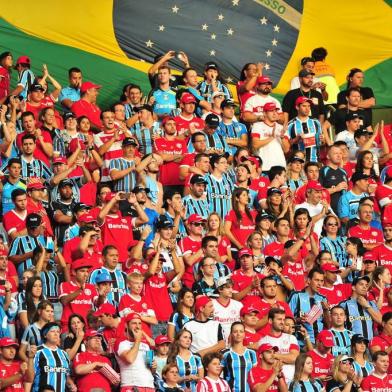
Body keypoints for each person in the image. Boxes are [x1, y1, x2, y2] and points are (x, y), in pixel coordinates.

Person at [288, 267, 330, 344]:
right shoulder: (296, 296)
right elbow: (286, 320)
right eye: (316, 280)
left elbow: (329, 325)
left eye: (321, 281)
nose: (319, 284)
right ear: (309, 280)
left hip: (319, 344)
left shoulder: (323, 299)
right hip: (300, 343)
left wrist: (326, 310)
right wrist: (298, 320)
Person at [115, 312, 155, 391]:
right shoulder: (120, 342)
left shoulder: (146, 344)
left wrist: (154, 367)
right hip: (131, 386)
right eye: (134, 323)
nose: (137, 326)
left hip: (149, 386)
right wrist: (138, 340)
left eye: (139, 323)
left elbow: (150, 368)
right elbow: (130, 359)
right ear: (126, 325)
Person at [259, 308, 300, 383]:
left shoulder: (291, 338)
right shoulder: (263, 341)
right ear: (270, 321)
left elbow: (294, 358)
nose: (282, 322)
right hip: (273, 384)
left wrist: (274, 355)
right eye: (279, 319)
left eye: (283, 320)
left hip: (292, 383)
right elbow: (267, 365)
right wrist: (287, 358)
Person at [33, 322, 76, 392]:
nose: (56, 334)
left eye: (58, 332)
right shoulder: (37, 351)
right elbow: (29, 378)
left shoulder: (64, 354)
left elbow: (66, 375)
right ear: (45, 335)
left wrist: (71, 384)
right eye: (52, 331)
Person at [339, 275, 382, 340]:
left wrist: (367, 307)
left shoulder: (371, 304)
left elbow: (380, 320)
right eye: (361, 284)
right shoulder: (344, 304)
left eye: (366, 285)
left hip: (369, 345)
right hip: (351, 345)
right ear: (353, 287)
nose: (364, 287)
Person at [251, 102, 288, 172]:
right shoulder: (257, 126)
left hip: (280, 166)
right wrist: (271, 137)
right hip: (265, 167)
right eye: (271, 111)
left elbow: (286, 150)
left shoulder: (281, 128)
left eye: (275, 110)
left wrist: (282, 138)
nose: (274, 113)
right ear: (264, 113)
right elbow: (255, 145)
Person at [221, 321, 257, 392]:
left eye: (241, 331)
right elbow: (217, 375)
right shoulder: (225, 353)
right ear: (231, 334)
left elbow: (255, 376)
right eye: (235, 331)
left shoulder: (251, 353)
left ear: (244, 334)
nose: (238, 334)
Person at [212, 276, 242, 343]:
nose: (231, 290)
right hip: (217, 342)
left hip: (235, 342)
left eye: (231, 287)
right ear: (220, 289)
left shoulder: (238, 305)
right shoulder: (211, 305)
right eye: (228, 288)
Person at [205, 153, 234, 218]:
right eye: (223, 163)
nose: (226, 165)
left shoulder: (228, 180)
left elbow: (232, 200)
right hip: (211, 221)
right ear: (215, 164)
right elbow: (203, 200)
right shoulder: (206, 179)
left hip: (226, 221)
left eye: (226, 163)